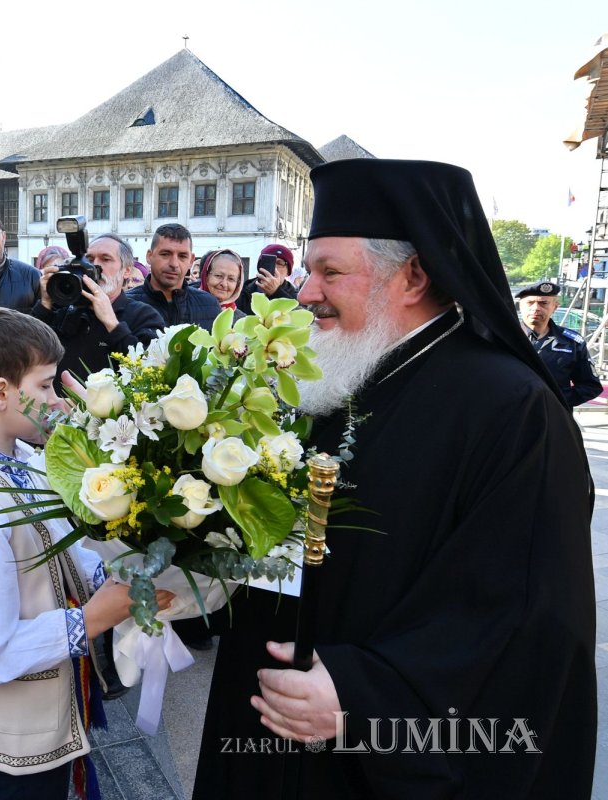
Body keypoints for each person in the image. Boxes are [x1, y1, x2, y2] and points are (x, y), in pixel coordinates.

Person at [194, 159, 595, 798]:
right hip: (272, 721)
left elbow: (526, 615)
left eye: (330, 271)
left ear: (413, 274)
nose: (304, 292)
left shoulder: (515, 411)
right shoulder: (338, 377)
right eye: (308, 269)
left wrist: (363, 698)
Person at [0, 305, 176, 799]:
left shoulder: (27, 459)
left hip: (44, 708)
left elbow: (58, 551)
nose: (54, 400)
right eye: (44, 387)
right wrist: (91, 619)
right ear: (1, 394)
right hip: (12, 739)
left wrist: (112, 572)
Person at [32, 232, 163, 381]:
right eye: (89, 259)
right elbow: (26, 353)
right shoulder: (64, 310)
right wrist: (45, 304)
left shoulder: (143, 315)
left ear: (126, 270)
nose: (95, 266)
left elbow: (149, 372)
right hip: (55, 403)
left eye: (105, 259)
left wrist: (112, 324)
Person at [516, 280, 602, 409]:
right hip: (511, 417)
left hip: (554, 419)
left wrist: (555, 400)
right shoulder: (502, 338)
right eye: (530, 303)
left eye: (543, 303)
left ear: (555, 307)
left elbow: (590, 386)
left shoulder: (572, 343)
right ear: (520, 306)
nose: (536, 308)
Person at [127, 222, 221, 328]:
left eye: (182, 256)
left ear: (191, 260)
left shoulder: (209, 306)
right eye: (165, 254)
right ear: (149, 256)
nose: (174, 264)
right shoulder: (125, 305)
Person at [235, 242, 298, 315]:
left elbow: (299, 318)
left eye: (280, 263)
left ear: (288, 272)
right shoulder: (241, 291)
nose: (274, 268)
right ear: (259, 266)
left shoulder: (296, 297)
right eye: (269, 262)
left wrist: (276, 292)